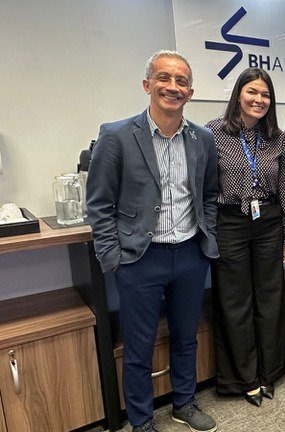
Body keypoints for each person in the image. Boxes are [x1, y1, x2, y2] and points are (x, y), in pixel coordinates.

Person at [87, 50, 218, 432]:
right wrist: (113, 259)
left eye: (181, 81)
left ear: (190, 92)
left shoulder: (203, 139)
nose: (172, 87)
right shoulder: (116, 136)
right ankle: (142, 421)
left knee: (186, 337)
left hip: (190, 254)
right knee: (139, 347)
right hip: (140, 259)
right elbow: (99, 204)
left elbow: (209, 194)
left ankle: (184, 403)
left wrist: (207, 238)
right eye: (164, 78)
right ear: (147, 85)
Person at [205, 67, 285, 406]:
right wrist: (208, 232)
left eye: (265, 94)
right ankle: (243, 378)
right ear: (238, 95)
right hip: (230, 222)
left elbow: (284, 189)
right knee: (235, 301)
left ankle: (270, 371)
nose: (259, 99)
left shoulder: (277, 138)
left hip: (268, 221)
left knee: (271, 297)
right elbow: (205, 187)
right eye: (252, 92)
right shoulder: (214, 132)